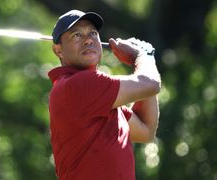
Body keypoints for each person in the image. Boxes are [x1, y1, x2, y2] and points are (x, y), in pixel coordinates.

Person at [48, 9, 161, 180]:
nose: (88, 40)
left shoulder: (102, 98)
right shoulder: (77, 86)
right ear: (58, 50)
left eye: (93, 33)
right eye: (76, 35)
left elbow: (146, 130)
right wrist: (144, 57)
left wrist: (140, 63)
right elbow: (151, 84)